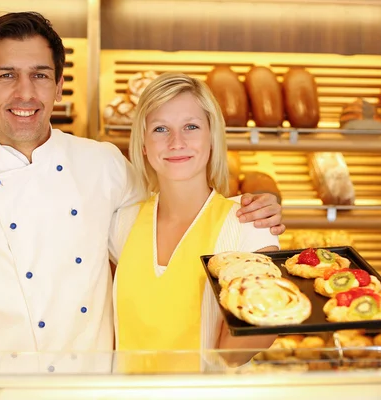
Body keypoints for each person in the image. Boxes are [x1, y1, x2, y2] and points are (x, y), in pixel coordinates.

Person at [0, 11, 284, 374]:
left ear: (59, 85)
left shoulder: (104, 165)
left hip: (97, 389)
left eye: (40, 75)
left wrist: (254, 211)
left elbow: (178, 199)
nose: (26, 93)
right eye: (7, 75)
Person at [110, 72, 279, 373]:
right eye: (161, 129)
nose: (177, 142)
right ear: (144, 144)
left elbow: (235, 355)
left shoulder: (247, 224)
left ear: (212, 137)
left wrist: (267, 311)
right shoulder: (121, 224)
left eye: (191, 126)